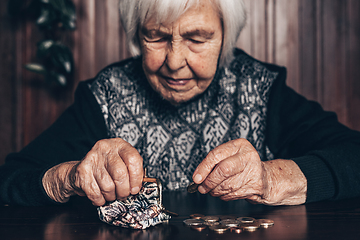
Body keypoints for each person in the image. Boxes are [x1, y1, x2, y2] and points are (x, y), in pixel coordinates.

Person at [1, 0, 360, 207]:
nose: (174, 61)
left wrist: (272, 178)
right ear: (137, 36)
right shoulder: (104, 94)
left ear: (225, 38)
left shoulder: (261, 89)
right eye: (155, 37)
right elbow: (10, 179)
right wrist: (66, 178)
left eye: (197, 39)